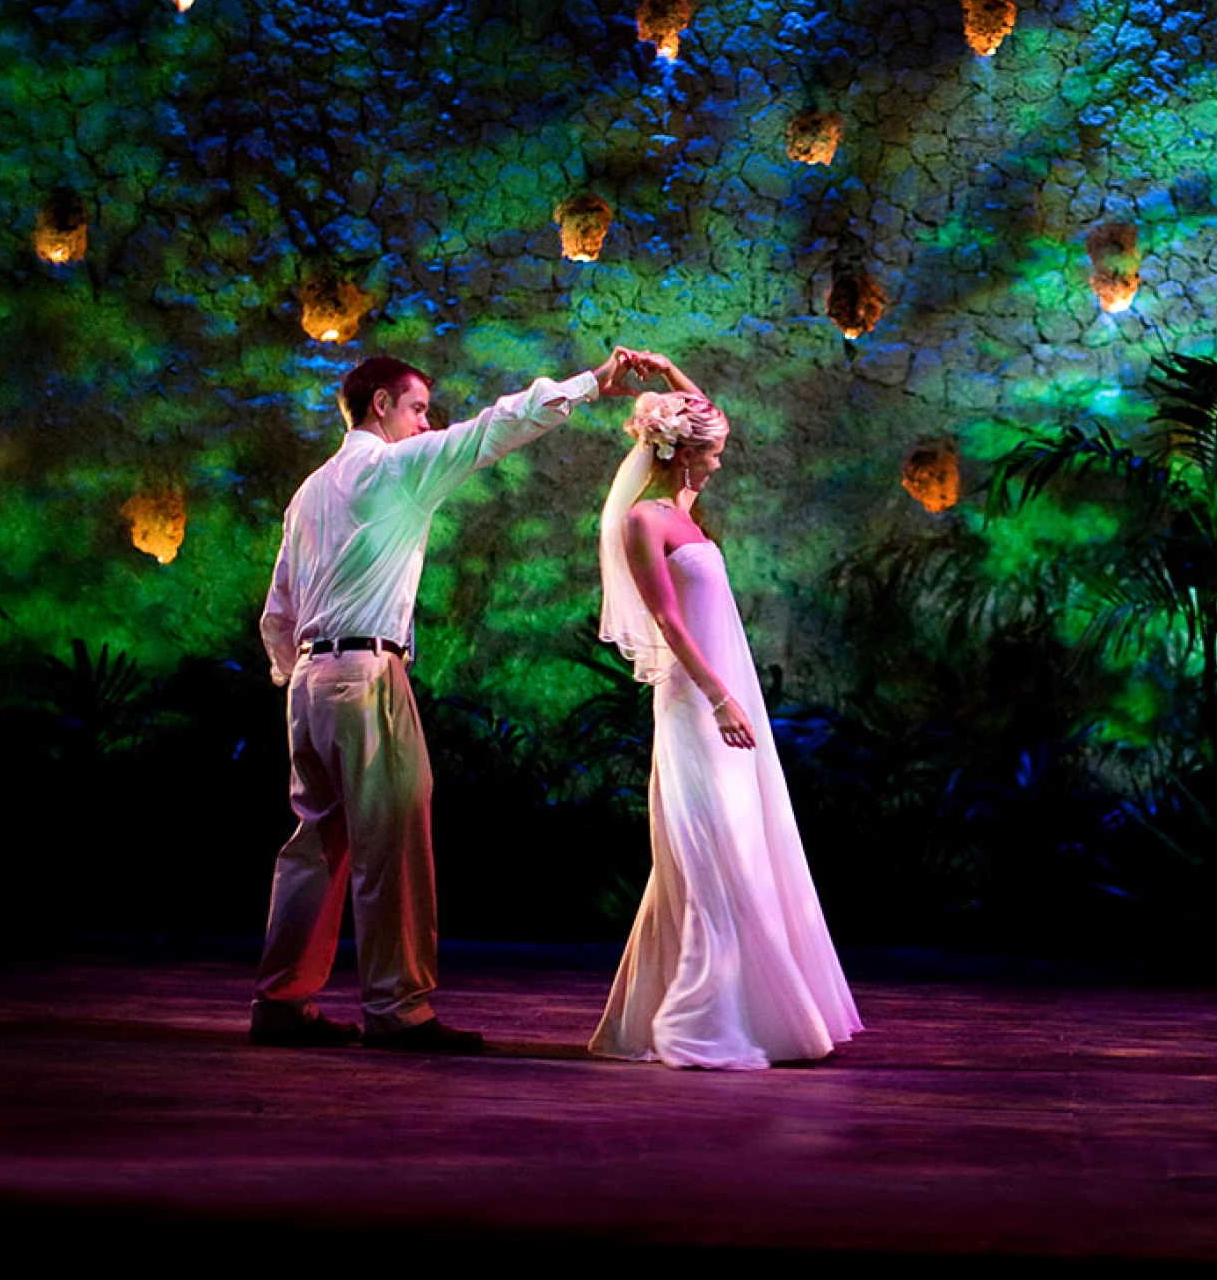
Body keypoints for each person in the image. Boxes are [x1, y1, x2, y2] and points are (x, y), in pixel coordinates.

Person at [253, 347, 651, 1052]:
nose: (423, 422)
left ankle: (281, 1000)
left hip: (311, 683)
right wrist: (592, 383)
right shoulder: (392, 469)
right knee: (393, 840)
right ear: (381, 404)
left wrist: (298, 675)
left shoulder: (310, 489)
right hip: (363, 673)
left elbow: (278, 608)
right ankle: (398, 1010)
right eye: (415, 408)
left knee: (313, 846)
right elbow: (493, 428)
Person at [589, 353, 862, 1068]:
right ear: (683, 456)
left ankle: (723, 1009)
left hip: (722, 694)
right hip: (694, 704)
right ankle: (699, 1016)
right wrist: (718, 698)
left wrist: (671, 369)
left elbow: (706, 412)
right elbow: (668, 623)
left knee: (737, 842)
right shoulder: (645, 522)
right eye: (711, 453)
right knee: (710, 851)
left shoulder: (682, 509)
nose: (719, 463)